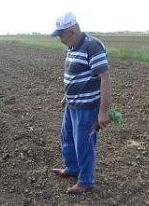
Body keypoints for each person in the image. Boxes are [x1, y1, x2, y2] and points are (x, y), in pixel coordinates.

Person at [50, 12, 112, 194]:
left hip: (87, 108)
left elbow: (105, 79)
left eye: (61, 35)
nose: (59, 39)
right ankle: (72, 168)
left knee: (84, 145)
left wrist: (103, 112)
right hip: (72, 106)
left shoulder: (92, 46)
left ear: (72, 31)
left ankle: (85, 181)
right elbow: (76, 76)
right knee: (67, 138)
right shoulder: (74, 47)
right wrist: (66, 97)